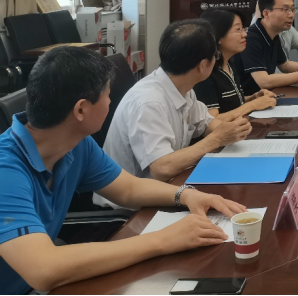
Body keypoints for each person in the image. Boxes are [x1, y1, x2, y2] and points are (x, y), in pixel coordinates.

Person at [0, 48, 245, 295]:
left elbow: (128, 188)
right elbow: (43, 270)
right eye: (107, 95)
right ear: (81, 110)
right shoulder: (6, 170)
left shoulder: (76, 143)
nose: (110, 102)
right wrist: (164, 239)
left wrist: (186, 194)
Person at [102, 20, 252, 184]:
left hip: (170, 184)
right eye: (215, 56)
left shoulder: (182, 87)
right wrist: (216, 139)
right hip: (137, 197)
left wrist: (231, 130)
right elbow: (162, 168)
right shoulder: (149, 102)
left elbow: (205, 123)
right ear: (203, 65)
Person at [195, 9, 277, 116]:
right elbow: (212, 120)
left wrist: (253, 98)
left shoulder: (229, 65)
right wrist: (252, 105)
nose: (244, 34)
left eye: (243, 28)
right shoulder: (205, 73)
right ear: (217, 36)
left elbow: (231, 104)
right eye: (238, 29)